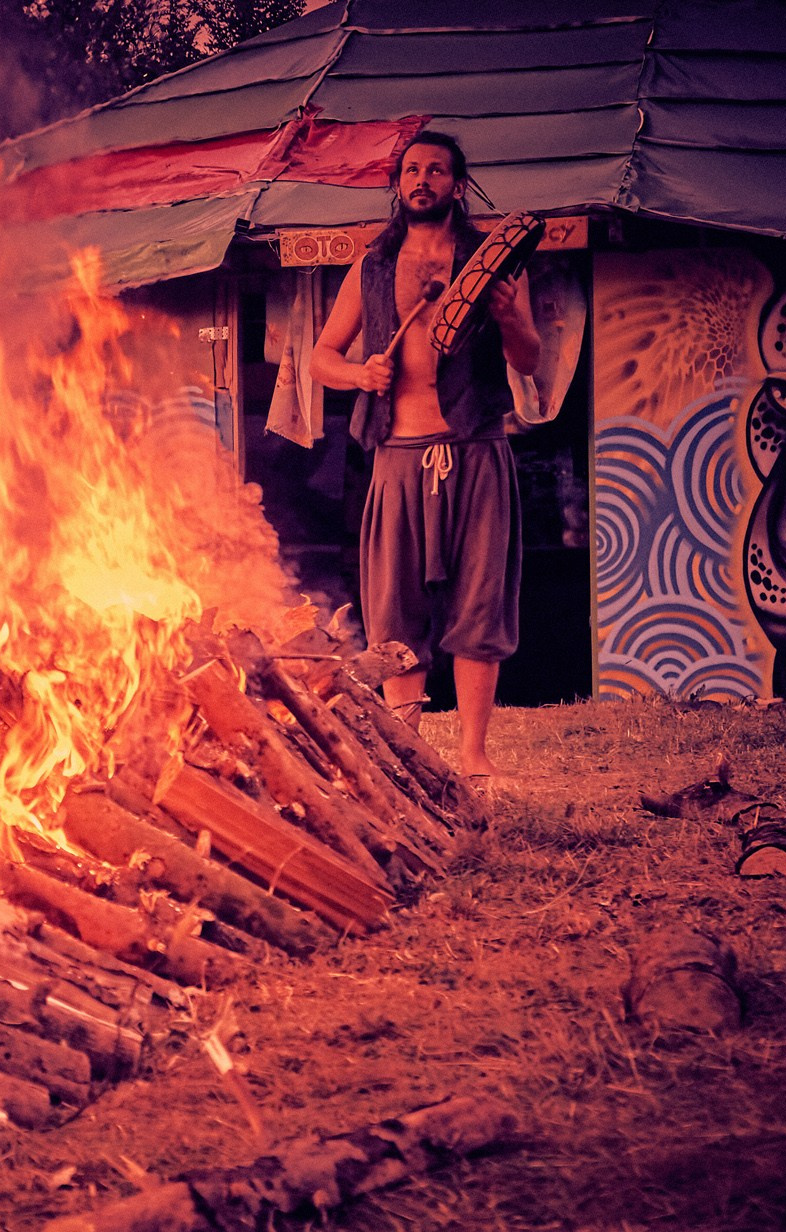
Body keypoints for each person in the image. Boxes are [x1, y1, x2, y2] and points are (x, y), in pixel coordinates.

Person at [313, 131, 539, 781]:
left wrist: (510, 317)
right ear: (398, 185)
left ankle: (473, 754)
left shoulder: (492, 264)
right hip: (397, 454)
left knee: (480, 602)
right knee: (394, 609)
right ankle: (407, 753)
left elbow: (530, 359)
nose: (422, 179)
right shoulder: (372, 268)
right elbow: (322, 357)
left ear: (457, 185)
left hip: (476, 449)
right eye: (412, 170)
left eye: (436, 170)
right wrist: (360, 375)